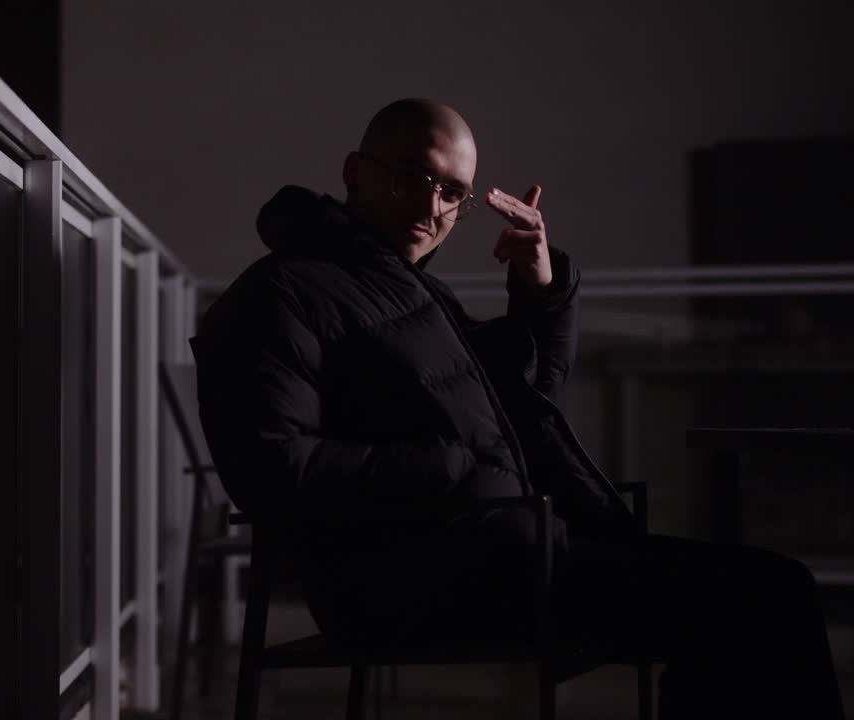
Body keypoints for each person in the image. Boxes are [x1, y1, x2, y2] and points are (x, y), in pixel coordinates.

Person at [191, 98, 845, 718]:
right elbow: (270, 467)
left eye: (453, 193)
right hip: (412, 581)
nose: (432, 204)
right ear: (355, 172)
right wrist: (456, 468)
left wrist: (538, 287)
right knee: (761, 599)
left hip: (497, 555)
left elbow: (526, 403)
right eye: (414, 176)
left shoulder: (409, 295)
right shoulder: (283, 294)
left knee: (762, 594)